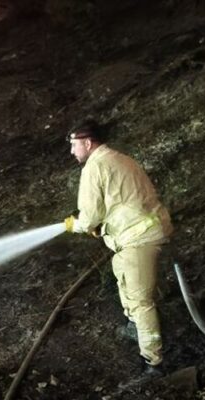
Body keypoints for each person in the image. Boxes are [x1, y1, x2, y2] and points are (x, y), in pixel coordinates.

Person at [63, 119, 174, 384]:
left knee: (140, 301)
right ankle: (135, 327)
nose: (72, 152)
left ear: (87, 143)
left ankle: (154, 364)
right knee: (122, 276)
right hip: (145, 230)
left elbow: (89, 217)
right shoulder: (121, 159)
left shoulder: (94, 167)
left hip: (138, 238)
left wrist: (74, 225)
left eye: (74, 145)